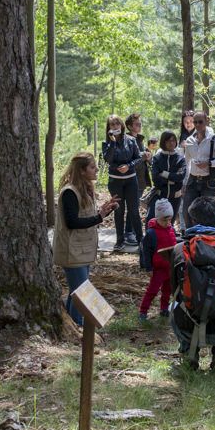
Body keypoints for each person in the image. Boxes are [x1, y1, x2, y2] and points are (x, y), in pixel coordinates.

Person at [170, 197, 215, 374]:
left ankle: (188, 352)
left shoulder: (180, 250)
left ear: (192, 221)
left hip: (187, 324)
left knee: (173, 305)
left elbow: (175, 290)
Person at [52, 152, 119, 325]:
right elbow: (73, 222)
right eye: (92, 167)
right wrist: (99, 217)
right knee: (83, 293)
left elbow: (86, 217)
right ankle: (80, 330)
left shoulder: (85, 190)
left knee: (78, 292)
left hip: (81, 251)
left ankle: (72, 326)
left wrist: (103, 212)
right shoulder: (69, 193)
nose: (96, 169)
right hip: (72, 252)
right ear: (82, 171)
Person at [102, 114, 144, 249]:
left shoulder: (131, 140)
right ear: (108, 128)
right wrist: (113, 142)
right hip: (115, 182)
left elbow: (138, 159)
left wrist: (128, 166)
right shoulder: (107, 143)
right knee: (119, 211)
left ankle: (140, 240)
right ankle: (119, 240)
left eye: (117, 124)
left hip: (131, 181)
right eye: (112, 125)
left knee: (134, 211)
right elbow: (108, 160)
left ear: (121, 125)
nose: (115, 127)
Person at [182, 112, 215, 218]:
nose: (197, 125)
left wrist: (209, 164)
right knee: (187, 211)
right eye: (195, 122)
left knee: (206, 213)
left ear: (207, 121)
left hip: (208, 181)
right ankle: (190, 234)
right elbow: (187, 163)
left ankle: (205, 234)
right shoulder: (190, 140)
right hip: (192, 181)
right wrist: (184, 183)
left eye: (200, 122)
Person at [138, 199, 178, 321]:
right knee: (153, 290)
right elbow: (146, 252)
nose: (167, 222)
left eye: (169, 219)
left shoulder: (171, 230)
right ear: (157, 218)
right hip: (158, 268)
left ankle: (164, 308)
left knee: (167, 290)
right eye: (164, 220)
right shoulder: (151, 233)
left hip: (170, 267)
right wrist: (148, 267)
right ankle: (143, 311)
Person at [150, 131, 188, 223]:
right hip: (160, 196)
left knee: (170, 224)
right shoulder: (157, 158)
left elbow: (180, 177)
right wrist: (172, 179)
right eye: (168, 141)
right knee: (155, 222)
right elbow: (155, 179)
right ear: (163, 142)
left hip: (175, 197)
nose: (171, 143)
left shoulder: (180, 159)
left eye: (173, 140)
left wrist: (164, 173)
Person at [127, 114, 152, 225]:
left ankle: (131, 230)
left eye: (140, 124)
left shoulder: (140, 140)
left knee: (135, 206)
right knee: (132, 207)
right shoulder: (126, 140)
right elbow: (129, 160)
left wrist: (148, 157)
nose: (139, 126)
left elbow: (144, 159)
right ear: (129, 126)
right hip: (131, 178)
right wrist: (142, 157)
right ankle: (129, 231)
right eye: (137, 124)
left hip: (141, 180)